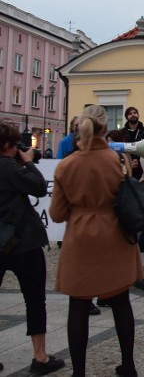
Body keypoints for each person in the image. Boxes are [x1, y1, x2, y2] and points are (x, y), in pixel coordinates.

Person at [50, 105, 144, 377]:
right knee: (120, 301)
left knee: (78, 306)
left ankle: (78, 371)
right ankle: (128, 365)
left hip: (80, 238)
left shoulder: (66, 165)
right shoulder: (115, 160)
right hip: (114, 234)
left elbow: (56, 213)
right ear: (105, 129)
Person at [0, 124, 66, 375]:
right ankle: (40, 357)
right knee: (35, 300)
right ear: (8, 146)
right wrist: (27, 162)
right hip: (23, 242)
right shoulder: (8, 167)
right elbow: (39, 187)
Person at [120, 107, 144, 180]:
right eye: (130, 114)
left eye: (135, 113)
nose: (133, 115)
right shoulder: (121, 133)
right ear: (127, 117)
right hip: (127, 170)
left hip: (143, 170)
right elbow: (120, 151)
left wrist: (139, 161)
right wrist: (129, 162)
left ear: (138, 115)